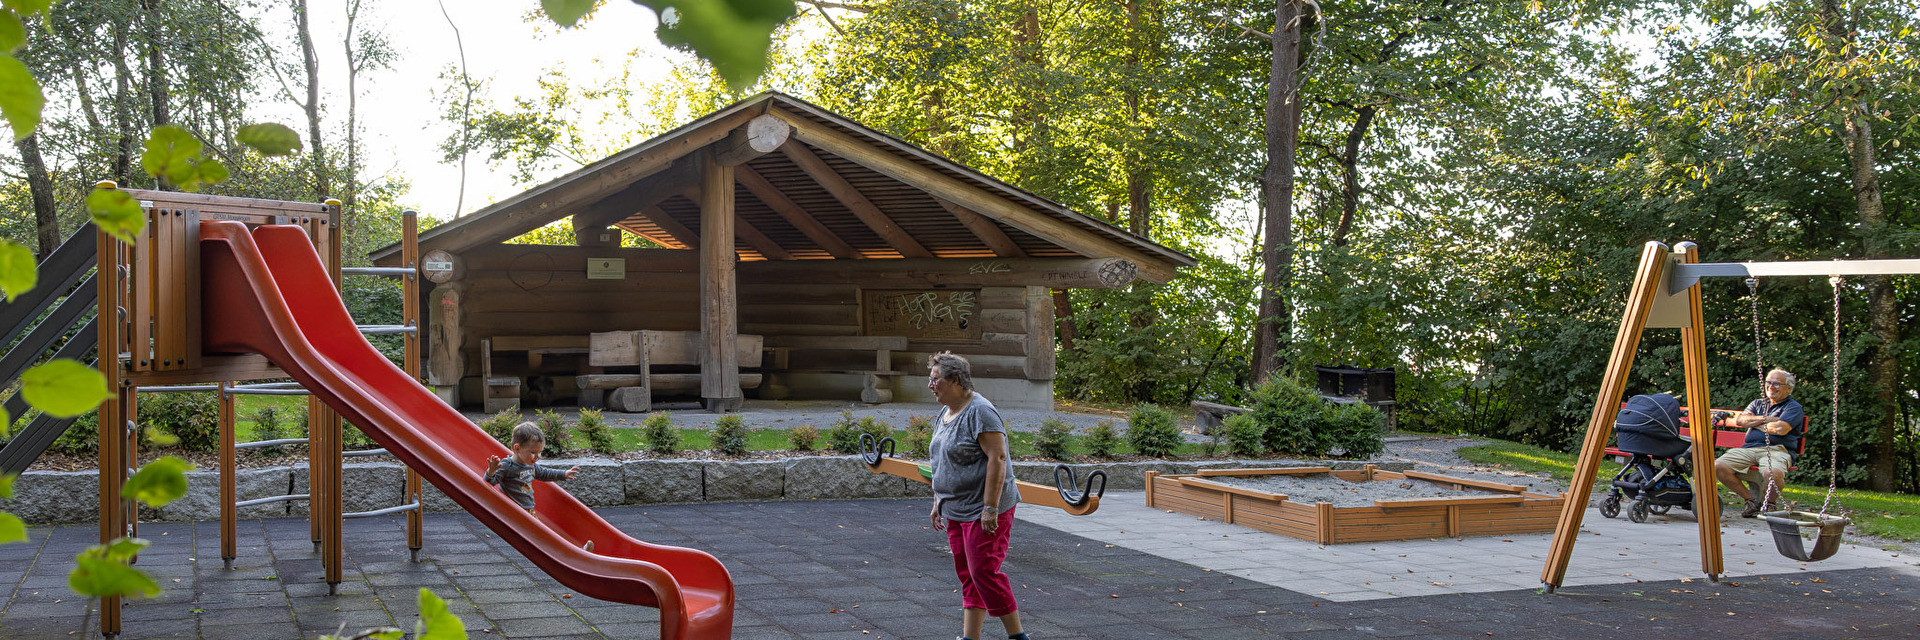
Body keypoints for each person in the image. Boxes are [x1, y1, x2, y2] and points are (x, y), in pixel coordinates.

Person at [926, 351, 1028, 640]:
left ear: (956, 380)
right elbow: (941, 459)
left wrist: (990, 508)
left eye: (935, 380)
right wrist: (938, 500)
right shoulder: (946, 412)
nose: (930, 385)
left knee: (984, 571)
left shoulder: (980, 411)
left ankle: (1018, 637)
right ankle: (971, 638)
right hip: (955, 507)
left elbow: (998, 458)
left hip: (984, 508)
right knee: (968, 574)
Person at [485, 421, 592, 551]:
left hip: (529, 510)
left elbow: (544, 473)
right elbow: (489, 484)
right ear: (517, 448)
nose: (538, 457)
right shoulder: (507, 465)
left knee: (545, 536)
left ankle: (574, 551)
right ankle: (575, 551)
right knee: (545, 536)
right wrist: (491, 472)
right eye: (534, 453)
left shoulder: (530, 464)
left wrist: (563, 474)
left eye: (540, 453)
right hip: (517, 512)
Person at [1713, 368, 1805, 518]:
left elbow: (1780, 429)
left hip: (1777, 450)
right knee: (1718, 466)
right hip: (1748, 449)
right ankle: (1752, 501)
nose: (1770, 386)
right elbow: (1741, 420)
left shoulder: (1793, 407)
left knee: (1773, 473)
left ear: (1788, 389)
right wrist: (1769, 419)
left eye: (1776, 384)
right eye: (1768, 382)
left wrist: (1754, 422)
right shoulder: (1757, 403)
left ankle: (1770, 504)